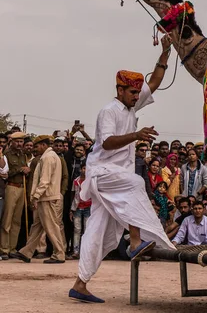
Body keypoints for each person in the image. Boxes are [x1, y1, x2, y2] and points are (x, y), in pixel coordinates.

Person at [69, 52, 175, 304]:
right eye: (132, 93)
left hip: (117, 179)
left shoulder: (131, 106)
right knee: (137, 182)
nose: (137, 97)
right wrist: (137, 135)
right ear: (119, 89)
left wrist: (164, 53)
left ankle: (80, 283)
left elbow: (156, 81)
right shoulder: (109, 111)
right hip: (102, 174)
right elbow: (105, 143)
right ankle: (136, 241)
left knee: (100, 233)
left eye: (138, 94)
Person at [14, 136, 66, 264]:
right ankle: (26, 252)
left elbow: (45, 180)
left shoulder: (48, 158)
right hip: (46, 196)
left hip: (46, 196)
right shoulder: (51, 156)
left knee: (51, 226)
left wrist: (36, 195)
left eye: (36, 146)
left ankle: (59, 254)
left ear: (43, 145)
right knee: (37, 226)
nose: (34, 149)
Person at [0, 132, 29, 259]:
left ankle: (12, 248)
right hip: (11, 187)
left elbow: (25, 169)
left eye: (21, 142)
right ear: (12, 142)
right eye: (17, 141)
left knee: (17, 220)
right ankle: (4, 249)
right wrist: (19, 170)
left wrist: (27, 170)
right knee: (7, 219)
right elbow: (5, 173)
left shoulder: (23, 155)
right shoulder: (6, 155)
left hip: (22, 188)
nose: (19, 144)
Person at [70, 163, 91, 259]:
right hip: (78, 207)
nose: (85, 170)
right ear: (80, 169)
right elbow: (73, 194)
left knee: (87, 229)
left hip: (89, 207)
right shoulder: (76, 181)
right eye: (83, 168)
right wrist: (71, 209)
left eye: (87, 168)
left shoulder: (91, 181)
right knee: (77, 229)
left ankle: (85, 251)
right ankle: (76, 251)